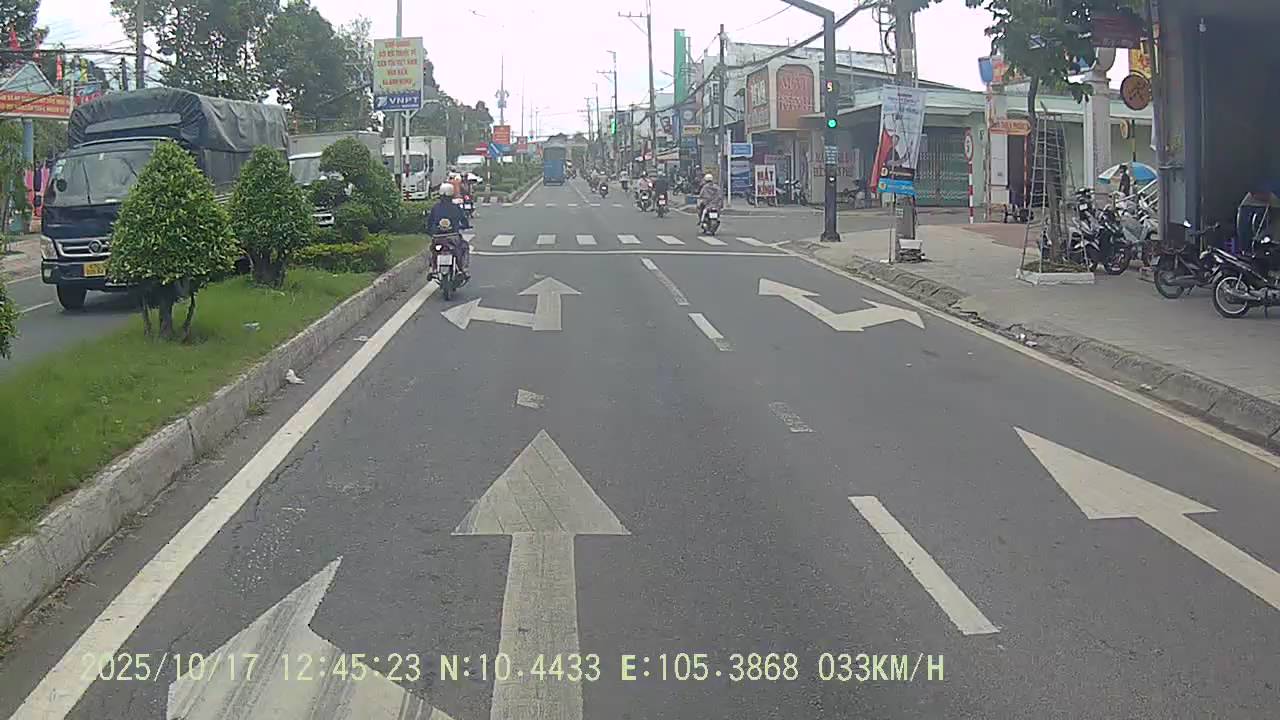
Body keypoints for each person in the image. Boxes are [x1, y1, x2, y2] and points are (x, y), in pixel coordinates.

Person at [427, 183, 471, 271]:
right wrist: (466, 226)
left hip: (438, 237)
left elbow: (429, 222)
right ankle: (462, 269)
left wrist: (430, 230)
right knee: (464, 247)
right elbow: (464, 220)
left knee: (433, 250)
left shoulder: (435, 207)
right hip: (453, 237)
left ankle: (433, 268)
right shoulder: (456, 207)